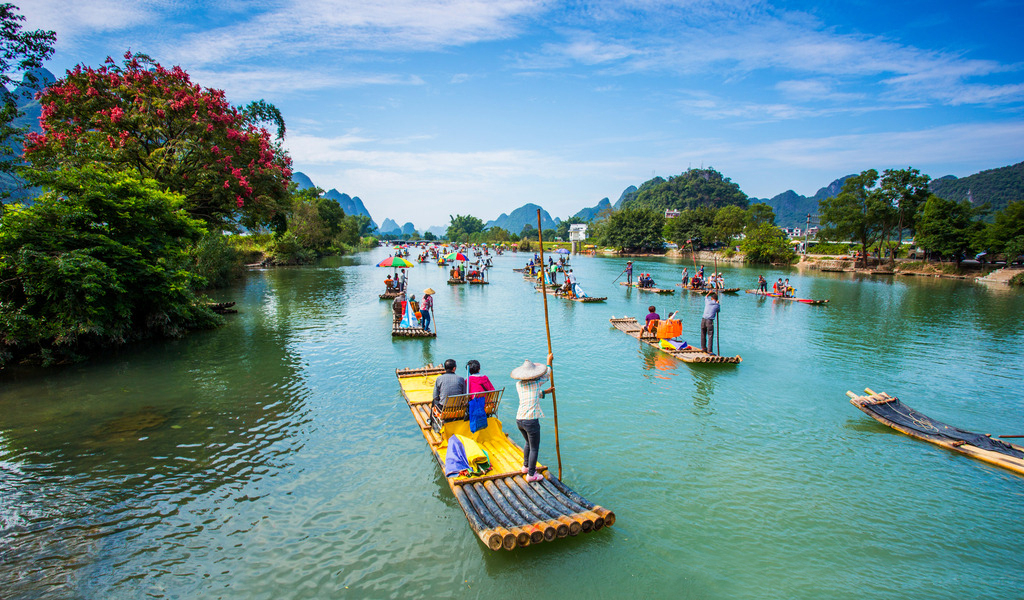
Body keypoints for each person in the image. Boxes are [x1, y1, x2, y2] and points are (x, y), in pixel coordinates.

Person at [511, 353, 554, 482]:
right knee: (534, 447)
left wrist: (545, 392)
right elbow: (548, 373)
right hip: (530, 421)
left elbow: (531, 395)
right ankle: (531, 474)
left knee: (528, 443)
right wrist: (548, 360)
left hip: (519, 419)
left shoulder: (519, 385)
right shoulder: (537, 383)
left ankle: (525, 466)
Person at [432, 359, 466, 430]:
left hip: (444, 409)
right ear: (454, 368)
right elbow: (465, 395)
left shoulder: (439, 378)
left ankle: (431, 422)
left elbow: (435, 396)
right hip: (458, 408)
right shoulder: (460, 379)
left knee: (433, 402)